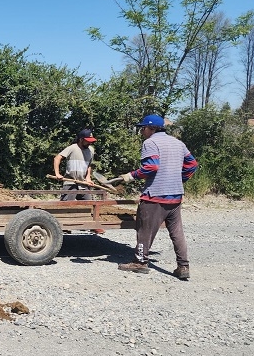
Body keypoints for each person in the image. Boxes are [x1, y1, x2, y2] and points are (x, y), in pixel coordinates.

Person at [115, 114, 199, 279]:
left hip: (155, 196)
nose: (142, 132)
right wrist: (179, 179)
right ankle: (183, 267)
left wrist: (131, 176)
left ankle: (140, 262)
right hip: (175, 195)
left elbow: (152, 167)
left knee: (144, 230)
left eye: (143, 128)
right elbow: (192, 165)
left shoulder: (150, 142)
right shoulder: (178, 143)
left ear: (151, 128)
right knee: (177, 232)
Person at [53, 129, 97, 200]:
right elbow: (57, 158)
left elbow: (89, 165)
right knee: (66, 205)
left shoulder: (91, 150)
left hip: (83, 183)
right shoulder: (72, 148)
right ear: (81, 139)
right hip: (70, 182)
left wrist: (88, 178)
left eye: (91, 141)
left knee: (89, 205)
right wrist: (57, 174)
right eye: (88, 141)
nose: (90, 142)